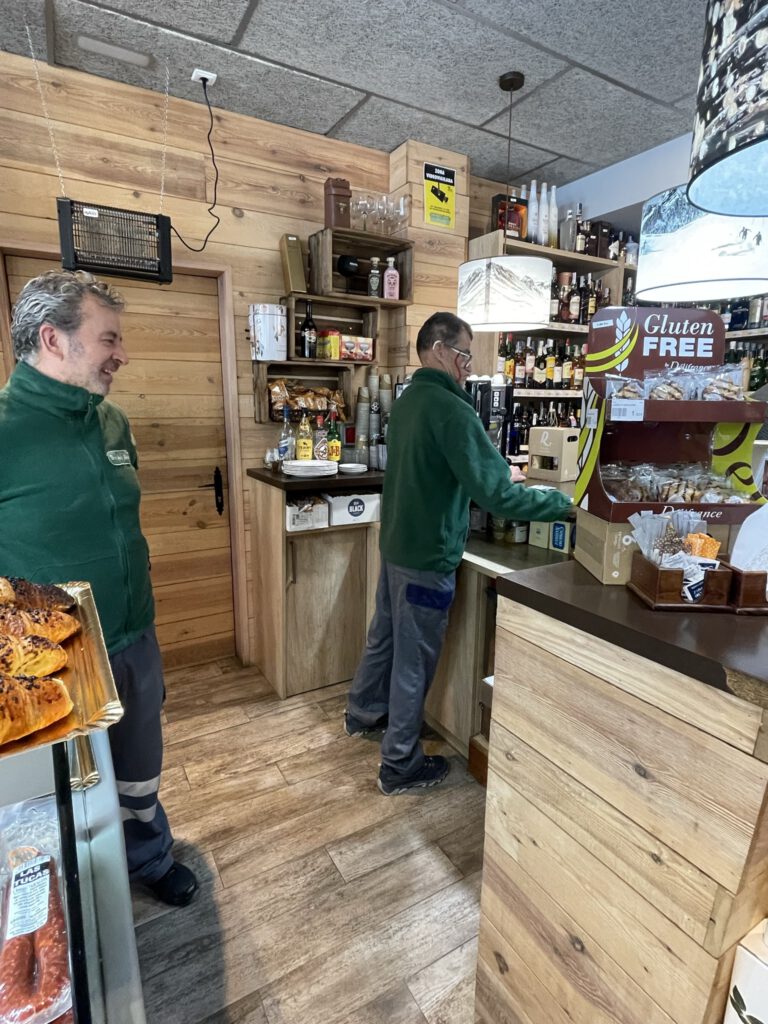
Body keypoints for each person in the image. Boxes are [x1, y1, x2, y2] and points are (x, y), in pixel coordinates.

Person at [0, 270, 197, 906]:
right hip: (52, 660)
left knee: (139, 769)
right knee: (63, 790)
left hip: (134, 636)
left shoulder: (112, 422)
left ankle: (150, 855)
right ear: (53, 340)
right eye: (108, 337)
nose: (122, 353)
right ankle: (74, 897)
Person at [345, 312, 573, 796]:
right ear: (441, 349)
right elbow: (499, 495)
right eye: (466, 355)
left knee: (384, 637)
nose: (469, 367)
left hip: (397, 545)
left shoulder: (409, 400)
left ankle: (363, 713)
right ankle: (399, 764)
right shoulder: (453, 410)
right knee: (413, 660)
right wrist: (564, 505)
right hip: (427, 555)